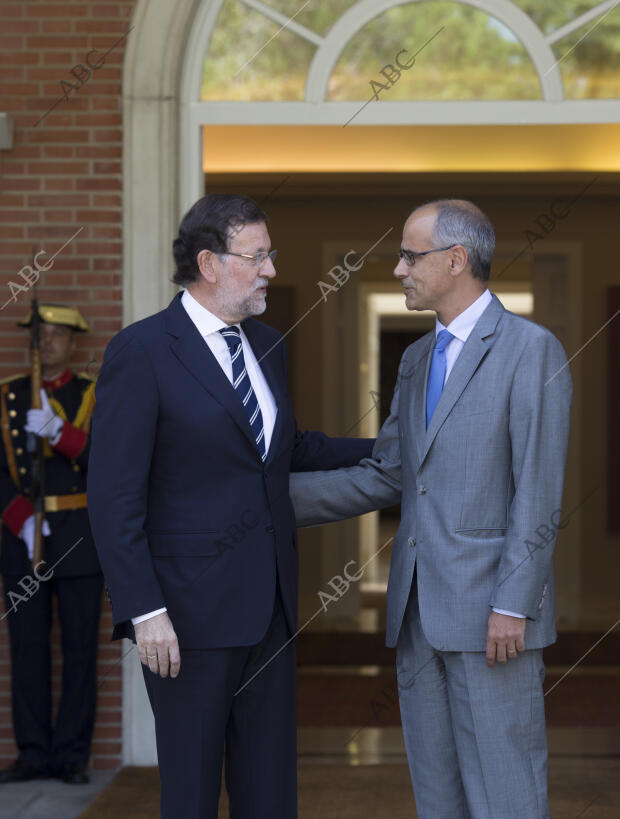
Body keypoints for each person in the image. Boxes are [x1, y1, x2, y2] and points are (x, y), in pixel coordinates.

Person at [87, 194, 374, 819]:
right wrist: (145, 611)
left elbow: (285, 447)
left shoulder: (268, 343)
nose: (272, 269)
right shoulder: (142, 351)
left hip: (269, 609)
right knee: (190, 793)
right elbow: (113, 498)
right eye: (259, 256)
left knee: (269, 791)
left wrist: (393, 449)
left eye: (270, 254)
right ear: (209, 263)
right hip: (184, 619)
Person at [290, 199, 572, 819]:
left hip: (495, 620)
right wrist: (263, 503)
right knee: (438, 796)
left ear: (456, 259)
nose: (398, 270)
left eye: (410, 256)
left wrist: (512, 604)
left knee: (506, 793)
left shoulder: (532, 350)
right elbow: (390, 474)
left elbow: (538, 488)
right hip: (417, 615)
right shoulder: (417, 360)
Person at [0, 304, 102, 785]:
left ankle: (72, 755)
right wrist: (20, 519)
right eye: (41, 334)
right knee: (28, 647)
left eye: (57, 334)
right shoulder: (10, 397)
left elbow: (109, 462)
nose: (47, 342)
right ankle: (34, 752)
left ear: (73, 342)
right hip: (25, 538)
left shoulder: (91, 395)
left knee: (81, 650)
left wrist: (61, 434)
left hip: (79, 534)